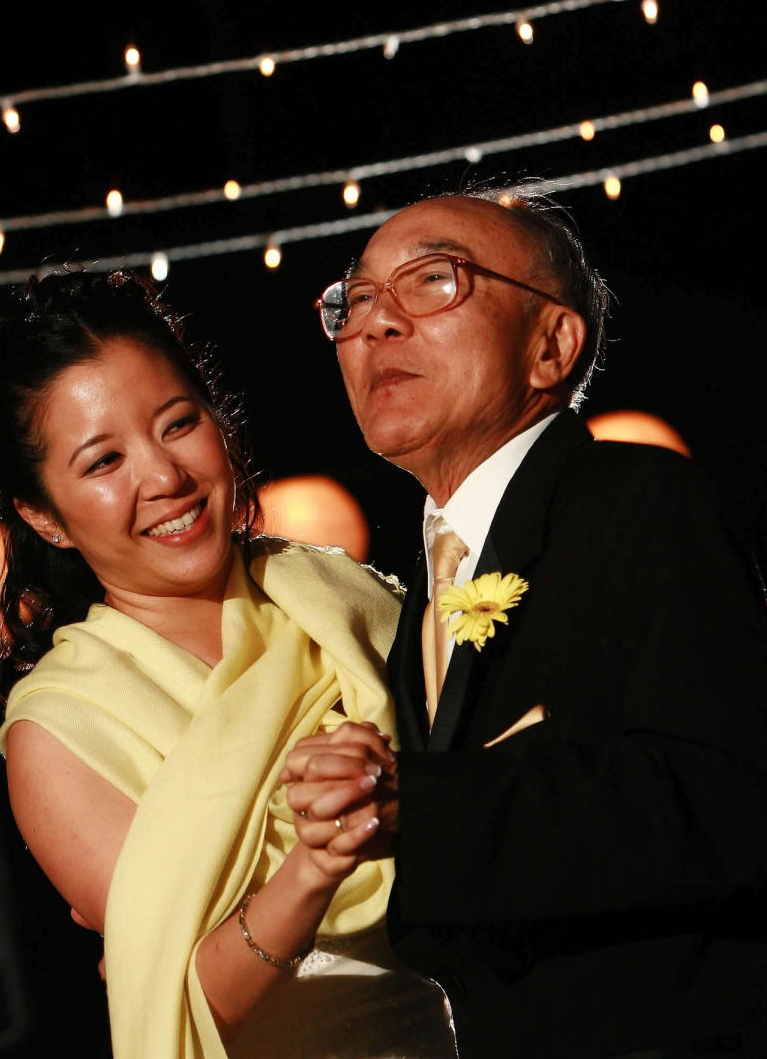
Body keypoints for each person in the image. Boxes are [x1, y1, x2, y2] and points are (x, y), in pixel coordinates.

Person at [283, 183, 767, 1059]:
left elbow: (724, 798)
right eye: (354, 301)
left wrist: (416, 808)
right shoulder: (417, 589)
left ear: (551, 345)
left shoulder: (639, 503)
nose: (375, 324)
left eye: (433, 280)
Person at [0, 265, 455, 1059]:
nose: (165, 477)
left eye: (178, 424)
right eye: (103, 463)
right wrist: (316, 865)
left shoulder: (334, 591)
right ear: (45, 516)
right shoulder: (63, 732)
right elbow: (183, 1001)